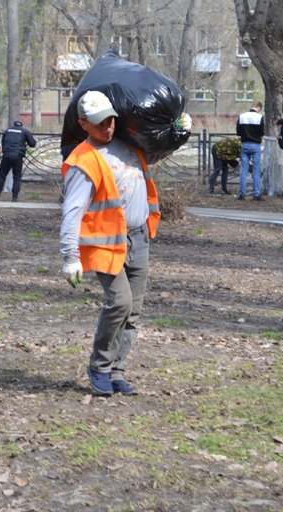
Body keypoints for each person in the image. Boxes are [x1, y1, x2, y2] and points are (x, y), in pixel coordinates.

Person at [60, 90, 187, 396]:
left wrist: (179, 132)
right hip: (106, 243)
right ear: (83, 124)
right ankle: (100, 367)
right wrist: (70, 257)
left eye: (111, 120)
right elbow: (72, 212)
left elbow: (158, 152)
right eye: (99, 123)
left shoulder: (130, 145)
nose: (107, 127)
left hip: (139, 238)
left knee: (133, 311)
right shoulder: (83, 161)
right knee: (120, 303)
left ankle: (116, 372)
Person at [0, 120, 37, 203]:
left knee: (2, 175)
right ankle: (14, 198)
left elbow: (3, 143)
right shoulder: (25, 131)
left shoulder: (7, 131)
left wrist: (6, 151)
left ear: (13, 124)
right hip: (18, 156)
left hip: (6, 155)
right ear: (21, 126)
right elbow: (33, 143)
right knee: (16, 177)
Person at [236, 101, 264, 201]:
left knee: (244, 170)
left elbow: (238, 132)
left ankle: (242, 194)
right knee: (256, 170)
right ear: (259, 107)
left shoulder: (242, 116)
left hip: (245, 144)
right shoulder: (260, 117)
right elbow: (261, 132)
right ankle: (256, 194)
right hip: (255, 145)